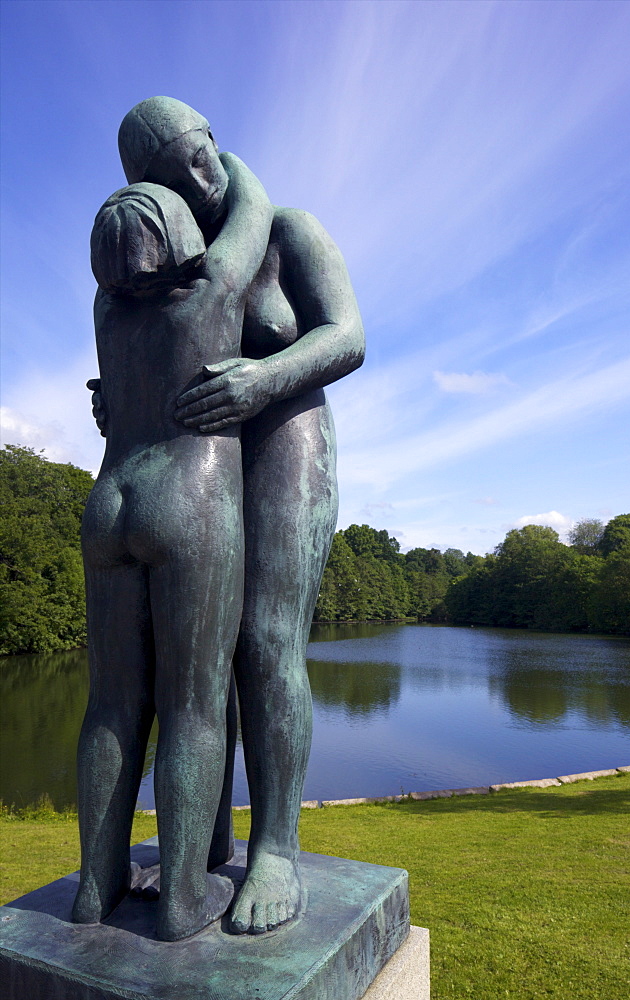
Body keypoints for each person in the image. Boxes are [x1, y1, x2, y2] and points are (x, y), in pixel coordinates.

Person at [91, 96, 365, 935]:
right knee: (193, 660)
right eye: (173, 174)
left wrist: (261, 378)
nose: (198, 179)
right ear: (149, 186)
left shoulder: (285, 231)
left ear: (215, 140)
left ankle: (274, 847)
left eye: (202, 155)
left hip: (285, 434)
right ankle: (198, 843)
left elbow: (347, 335)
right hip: (197, 463)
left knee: (263, 640)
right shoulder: (173, 257)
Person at [74, 163, 272, 942]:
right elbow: (249, 208)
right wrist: (212, 160)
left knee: (111, 706)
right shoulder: (212, 288)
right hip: (188, 496)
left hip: (109, 501)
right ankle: (186, 896)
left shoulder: (103, 310)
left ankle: (96, 887)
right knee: (192, 703)